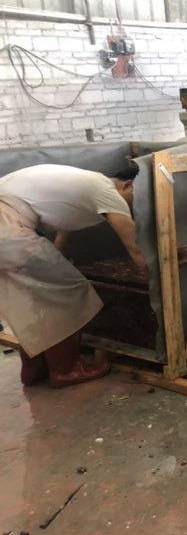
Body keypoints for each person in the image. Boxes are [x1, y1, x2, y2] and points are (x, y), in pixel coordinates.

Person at [0, 163, 146, 388]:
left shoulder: (85, 187)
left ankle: (34, 369)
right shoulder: (107, 191)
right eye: (138, 199)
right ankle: (66, 370)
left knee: (35, 300)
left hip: (7, 221)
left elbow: (64, 232)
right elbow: (135, 249)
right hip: (7, 225)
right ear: (128, 185)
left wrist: (54, 262)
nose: (137, 207)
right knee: (72, 293)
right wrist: (158, 282)